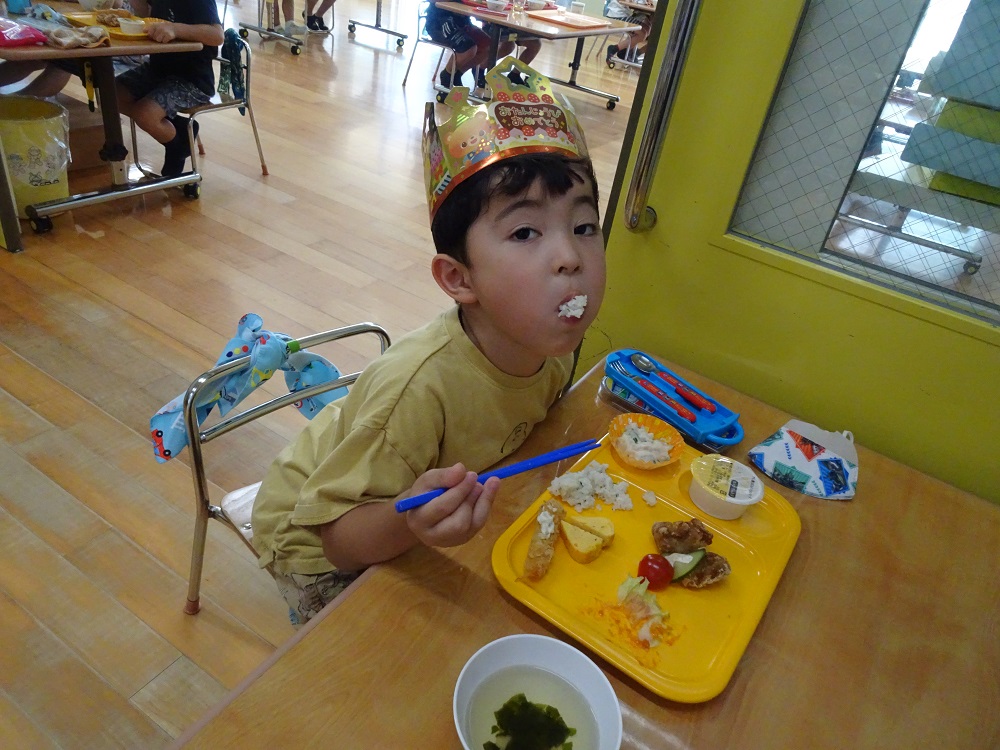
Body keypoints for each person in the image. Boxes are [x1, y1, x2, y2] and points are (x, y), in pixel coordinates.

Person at [250, 59, 607, 625]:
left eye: (584, 227)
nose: (570, 256)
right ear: (459, 279)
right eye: (525, 232)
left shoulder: (550, 347)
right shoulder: (417, 392)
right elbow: (338, 538)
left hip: (417, 502)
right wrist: (413, 522)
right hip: (313, 539)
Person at [115, 0, 224, 177]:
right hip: (158, 69)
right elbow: (146, 11)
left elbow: (217, 35)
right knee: (111, 95)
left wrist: (175, 29)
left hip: (192, 78)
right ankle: (181, 129)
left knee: (145, 114)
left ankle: (178, 148)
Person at [424, 2, 492, 90]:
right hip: (439, 23)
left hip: (463, 23)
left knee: (488, 46)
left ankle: (457, 74)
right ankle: (447, 75)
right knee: (468, 47)